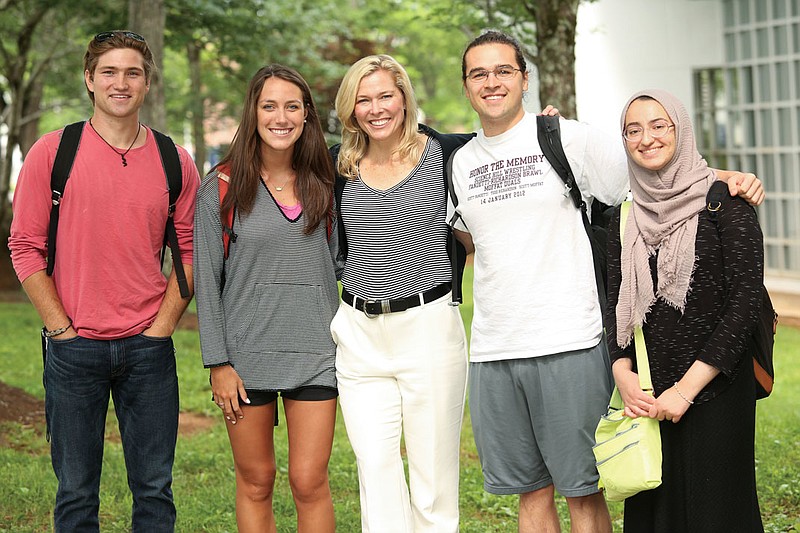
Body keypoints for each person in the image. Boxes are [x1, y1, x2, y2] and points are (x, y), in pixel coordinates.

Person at [446, 30, 765, 533]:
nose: (492, 82)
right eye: (478, 73)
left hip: (568, 340)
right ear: (465, 85)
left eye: (504, 70)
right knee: (529, 492)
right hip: (493, 350)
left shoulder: (566, 137)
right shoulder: (459, 164)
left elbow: (654, 166)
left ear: (524, 79)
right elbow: (469, 242)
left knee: (581, 491)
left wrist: (728, 177)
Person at [8, 31, 199, 532]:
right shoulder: (53, 153)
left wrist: (161, 329)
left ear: (147, 82)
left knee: (155, 490)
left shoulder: (173, 160)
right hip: (73, 349)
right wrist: (60, 328)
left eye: (132, 72)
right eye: (109, 72)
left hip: (148, 349)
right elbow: (25, 247)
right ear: (89, 80)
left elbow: (192, 251)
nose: (121, 82)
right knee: (75, 492)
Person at [605, 89, 764, 532]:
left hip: (715, 393)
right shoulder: (624, 216)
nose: (646, 138)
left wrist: (687, 389)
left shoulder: (727, 203)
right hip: (649, 396)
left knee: (715, 515)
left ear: (681, 129)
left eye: (659, 125)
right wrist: (621, 371)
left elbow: (745, 303)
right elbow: (613, 303)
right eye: (632, 130)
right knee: (655, 518)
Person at [193, 64, 339, 533]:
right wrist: (218, 362)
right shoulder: (221, 186)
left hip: (317, 354)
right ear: (253, 113)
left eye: (292, 106)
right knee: (256, 480)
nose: (281, 116)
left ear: (306, 115)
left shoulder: (327, 184)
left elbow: (341, 266)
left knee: (309, 480)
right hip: (244, 359)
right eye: (269, 105)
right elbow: (207, 283)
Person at [330, 54, 473, 532]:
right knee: (376, 472)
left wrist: (546, 126)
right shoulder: (339, 165)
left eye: (385, 95)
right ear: (350, 108)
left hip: (428, 328)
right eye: (363, 99)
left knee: (433, 478)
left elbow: (509, 151)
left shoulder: (448, 153)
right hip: (359, 334)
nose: (376, 108)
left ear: (404, 97)